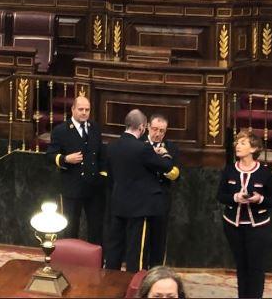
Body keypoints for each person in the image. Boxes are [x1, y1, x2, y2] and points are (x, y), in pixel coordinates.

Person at [105, 109, 178, 272]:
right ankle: (134, 287)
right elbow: (167, 166)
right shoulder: (142, 148)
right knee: (135, 252)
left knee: (114, 249)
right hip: (139, 208)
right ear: (143, 127)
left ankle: (109, 283)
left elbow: (109, 176)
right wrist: (165, 155)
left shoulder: (111, 146)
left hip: (117, 203)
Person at [217, 130, 272, 298]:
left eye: (243, 143)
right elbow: (220, 196)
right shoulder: (229, 170)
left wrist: (259, 199)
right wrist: (235, 197)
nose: (237, 145)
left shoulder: (264, 173)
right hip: (232, 226)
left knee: (256, 268)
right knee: (241, 266)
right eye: (237, 142)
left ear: (254, 148)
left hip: (258, 228)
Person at [45, 95, 105, 244]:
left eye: (87, 110)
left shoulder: (94, 128)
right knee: (71, 227)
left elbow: (101, 154)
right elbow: (50, 155)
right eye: (81, 109)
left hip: (93, 187)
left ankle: (96, 261)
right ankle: (70, 260)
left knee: (96, 227)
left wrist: (103, 175)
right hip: (72, 186)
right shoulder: (61, 130)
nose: (84, 113)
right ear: (73, 109)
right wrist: (65, 159)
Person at [143, 114, 180, 267]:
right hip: (142, 198)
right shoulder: (140, 144)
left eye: (162, 131)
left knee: (159, 238)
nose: (158, 134)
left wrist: (164, 158)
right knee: (142, 240)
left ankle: (157, 272)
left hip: (161, 199)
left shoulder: (171, 147)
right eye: (155, 129)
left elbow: (176, 174)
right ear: (147, 128)